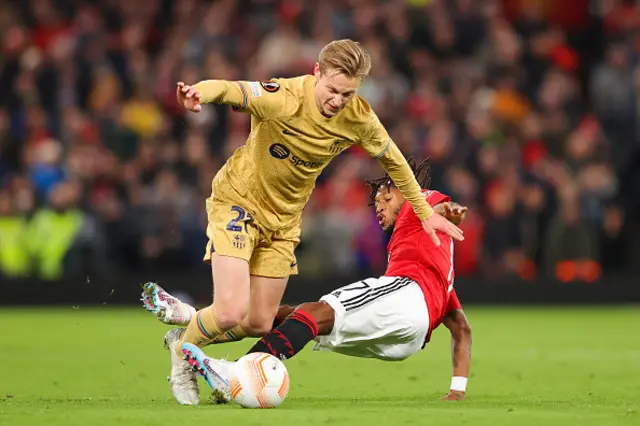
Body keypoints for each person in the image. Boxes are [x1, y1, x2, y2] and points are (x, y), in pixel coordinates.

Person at [146, 39, 464, 405]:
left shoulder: (358, 116)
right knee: (231, 311)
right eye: (332, 89)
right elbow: (232, 90)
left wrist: (425, 213)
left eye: (348, 93)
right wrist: (198, 93)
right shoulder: (283, 96)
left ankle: (187, 332)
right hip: (240, 202)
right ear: (316, 72)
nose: (337, 101)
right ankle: (183, 358)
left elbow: (395, 162)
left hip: (283, 222)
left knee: (259, 323)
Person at [145, 157, 472, 403]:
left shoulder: (421, 203)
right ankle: (195, 324)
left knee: (317, 313)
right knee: (292, 316)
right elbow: (461, 329)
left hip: (405, 296)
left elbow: (441, 205)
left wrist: (449, 211)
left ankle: (239, 373)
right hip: (408, 340)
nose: (378, 208)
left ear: (404, 191)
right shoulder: (441, 271)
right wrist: (457, 392)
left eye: (384, 199)